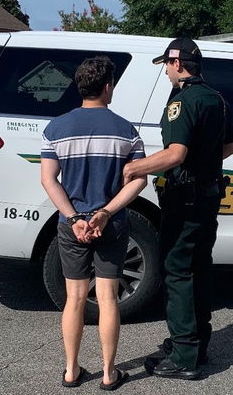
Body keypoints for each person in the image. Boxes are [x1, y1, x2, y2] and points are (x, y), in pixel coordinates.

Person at [122, 37, 233, 380]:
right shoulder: (217, 99)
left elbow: (175, 154)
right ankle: (197, 344)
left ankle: (184, 355)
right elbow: (229, 148)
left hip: (184, 200)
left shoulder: (183, 101)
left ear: (177, 63)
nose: (167, 73)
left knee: (177, 271)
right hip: (208, 197)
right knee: (199, 268)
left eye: (167, 66)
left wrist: (132, 169)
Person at [40, 56, 147, 391]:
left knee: (74, 298)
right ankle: (108, 373)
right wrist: (105, 213)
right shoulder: (126, 130)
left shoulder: (55, 128)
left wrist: (74, 218)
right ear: (107, 86)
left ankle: (71, 371)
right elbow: (138, 181)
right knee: (107, 298)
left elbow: (49, 180)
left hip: (72, 226)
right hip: (111, 224)